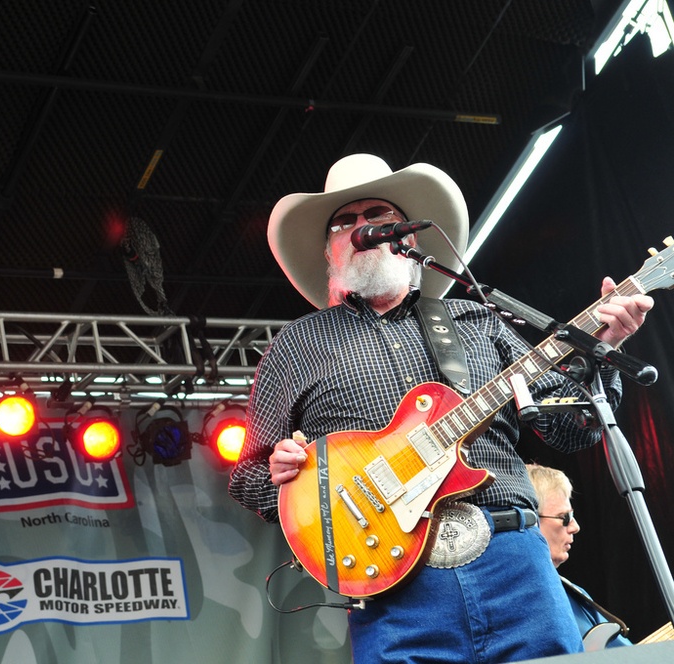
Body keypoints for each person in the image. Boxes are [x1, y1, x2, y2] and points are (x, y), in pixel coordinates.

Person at [228, 153, 654, 663]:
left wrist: (602, 355)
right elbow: (247, 477)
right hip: (392, 582)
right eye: (345, 221)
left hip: (511, 561)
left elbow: (571, 432)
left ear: (408, 235)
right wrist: (284, 473)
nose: (362, 227)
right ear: (328, 251)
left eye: (377, 216)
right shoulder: (297, 345)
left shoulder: (476, 318)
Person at [526, 463, 634, 649]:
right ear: (529, 520)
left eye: (573, 516)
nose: (575, 527)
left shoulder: (575, 594)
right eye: (565, 517)